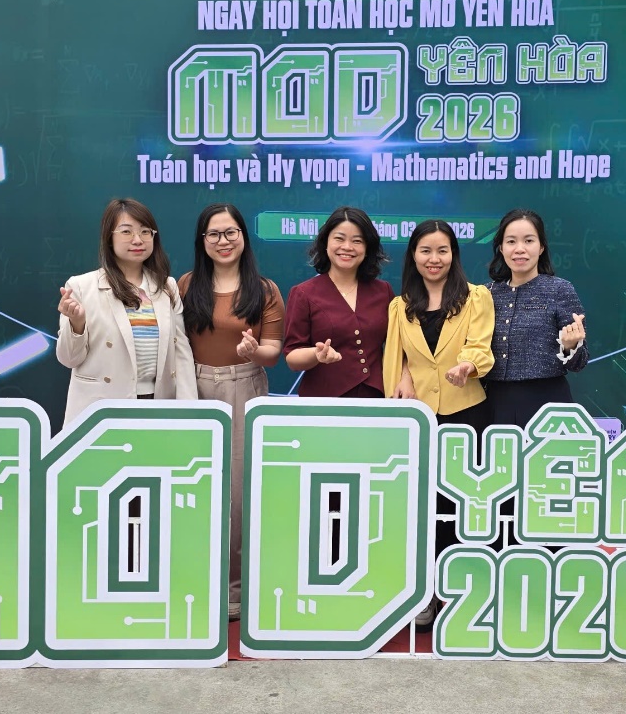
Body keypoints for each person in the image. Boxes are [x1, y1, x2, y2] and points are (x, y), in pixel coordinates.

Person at [177, 203, 284, 622]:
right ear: (202, 241)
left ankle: (235, 587)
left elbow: (273, 351)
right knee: (193, 484)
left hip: (245, 385)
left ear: (243, 236)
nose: (223, 241)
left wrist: (254, 351)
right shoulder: (186, 285)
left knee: (239, 491)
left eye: (230, 232)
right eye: (214, 234)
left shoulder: (264, 290)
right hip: (193, 387)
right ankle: (193, 578)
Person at [56, 198, 196, 427]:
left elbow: (181, 351)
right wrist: (77, 324)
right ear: (109, 238)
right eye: (126, 231)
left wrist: (189, 411)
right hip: (102, 409)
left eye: (145, 232)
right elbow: (69, 359)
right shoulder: (81, 286)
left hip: (158, 403)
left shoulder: (167, 286)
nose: (137, 240)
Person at [483, 209, 588, 429]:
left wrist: (570, 346)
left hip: (547, 404)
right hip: (494, 403)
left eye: (529, 240)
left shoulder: (560, 290)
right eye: (511, 241)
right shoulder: (485, 294)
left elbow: (579, 363)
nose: (519, 249)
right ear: (501, 248)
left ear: (541, 247)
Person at [385, 219, 495, 429]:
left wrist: (467, 365)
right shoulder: (399, 307)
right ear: (414, 255)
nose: (434, 259)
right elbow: (396, 357)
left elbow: (479, 346)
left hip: (467, 412)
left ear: (453, 254)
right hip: (416, 412)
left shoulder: (476, 297)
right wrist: (404, 379)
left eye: (442, 251)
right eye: (425, 251)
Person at [283, 206, 394, 398]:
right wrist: (316, 355)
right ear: (325, 243)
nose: (347, 247)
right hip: (323, 402)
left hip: (375, 399)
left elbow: (400, 346)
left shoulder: (383, 291)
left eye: (357, 241)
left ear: (367, 248)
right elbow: (292, 357)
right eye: (339, 239)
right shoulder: (303, 293)